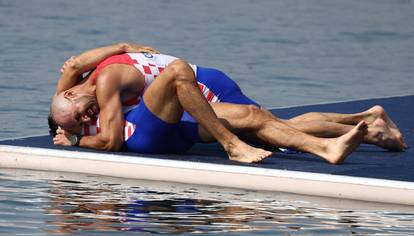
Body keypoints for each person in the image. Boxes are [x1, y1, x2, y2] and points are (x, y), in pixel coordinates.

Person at [50, 43, 406, 164]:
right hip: (183, 94)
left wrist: (123, 45)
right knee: (266, 123)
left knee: (266, 126)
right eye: (80, 121)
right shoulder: (80, 89)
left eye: (82, 113)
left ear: (68, 94)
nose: (87, 116)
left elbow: (111, 137)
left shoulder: (105, 81)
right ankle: (368, 125)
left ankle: (360, 127)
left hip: (203, 86)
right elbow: (76, 67)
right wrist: (124, 45)